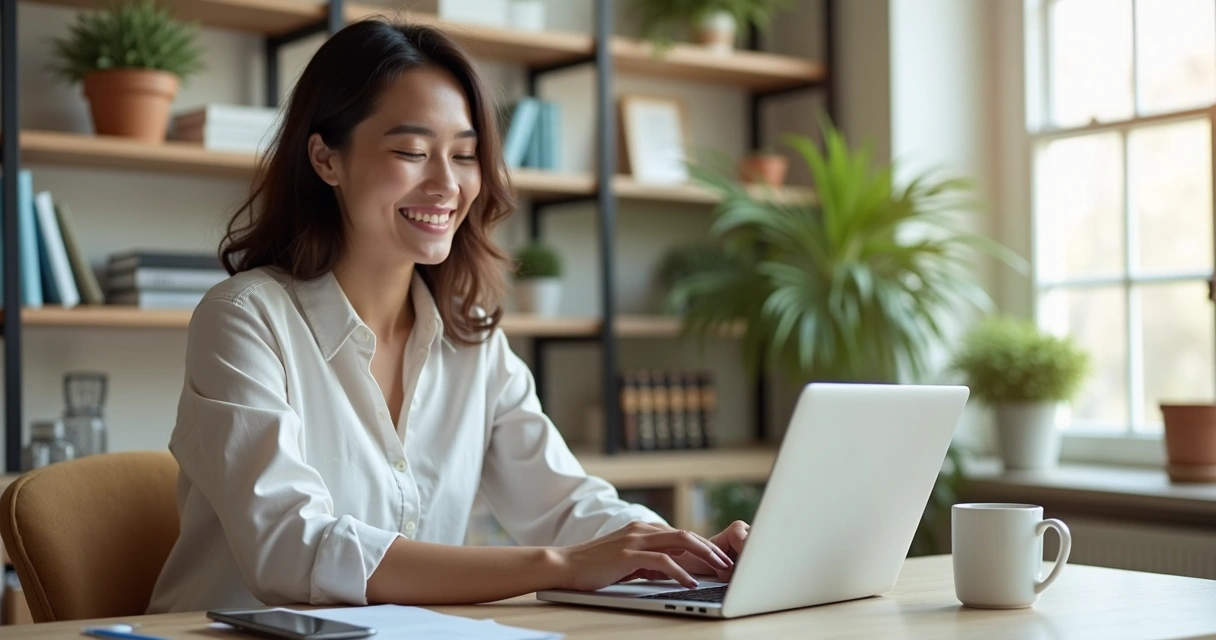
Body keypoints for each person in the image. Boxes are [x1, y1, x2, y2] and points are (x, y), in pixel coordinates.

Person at [146, 17, 749, 614]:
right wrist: (558, 565)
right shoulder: (245, 320)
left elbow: (566, 505)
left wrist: (687, 553)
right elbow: (289, 549)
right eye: (411, 151)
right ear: (326, 160)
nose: (446, 184)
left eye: (464, 156)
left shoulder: (471, 336)